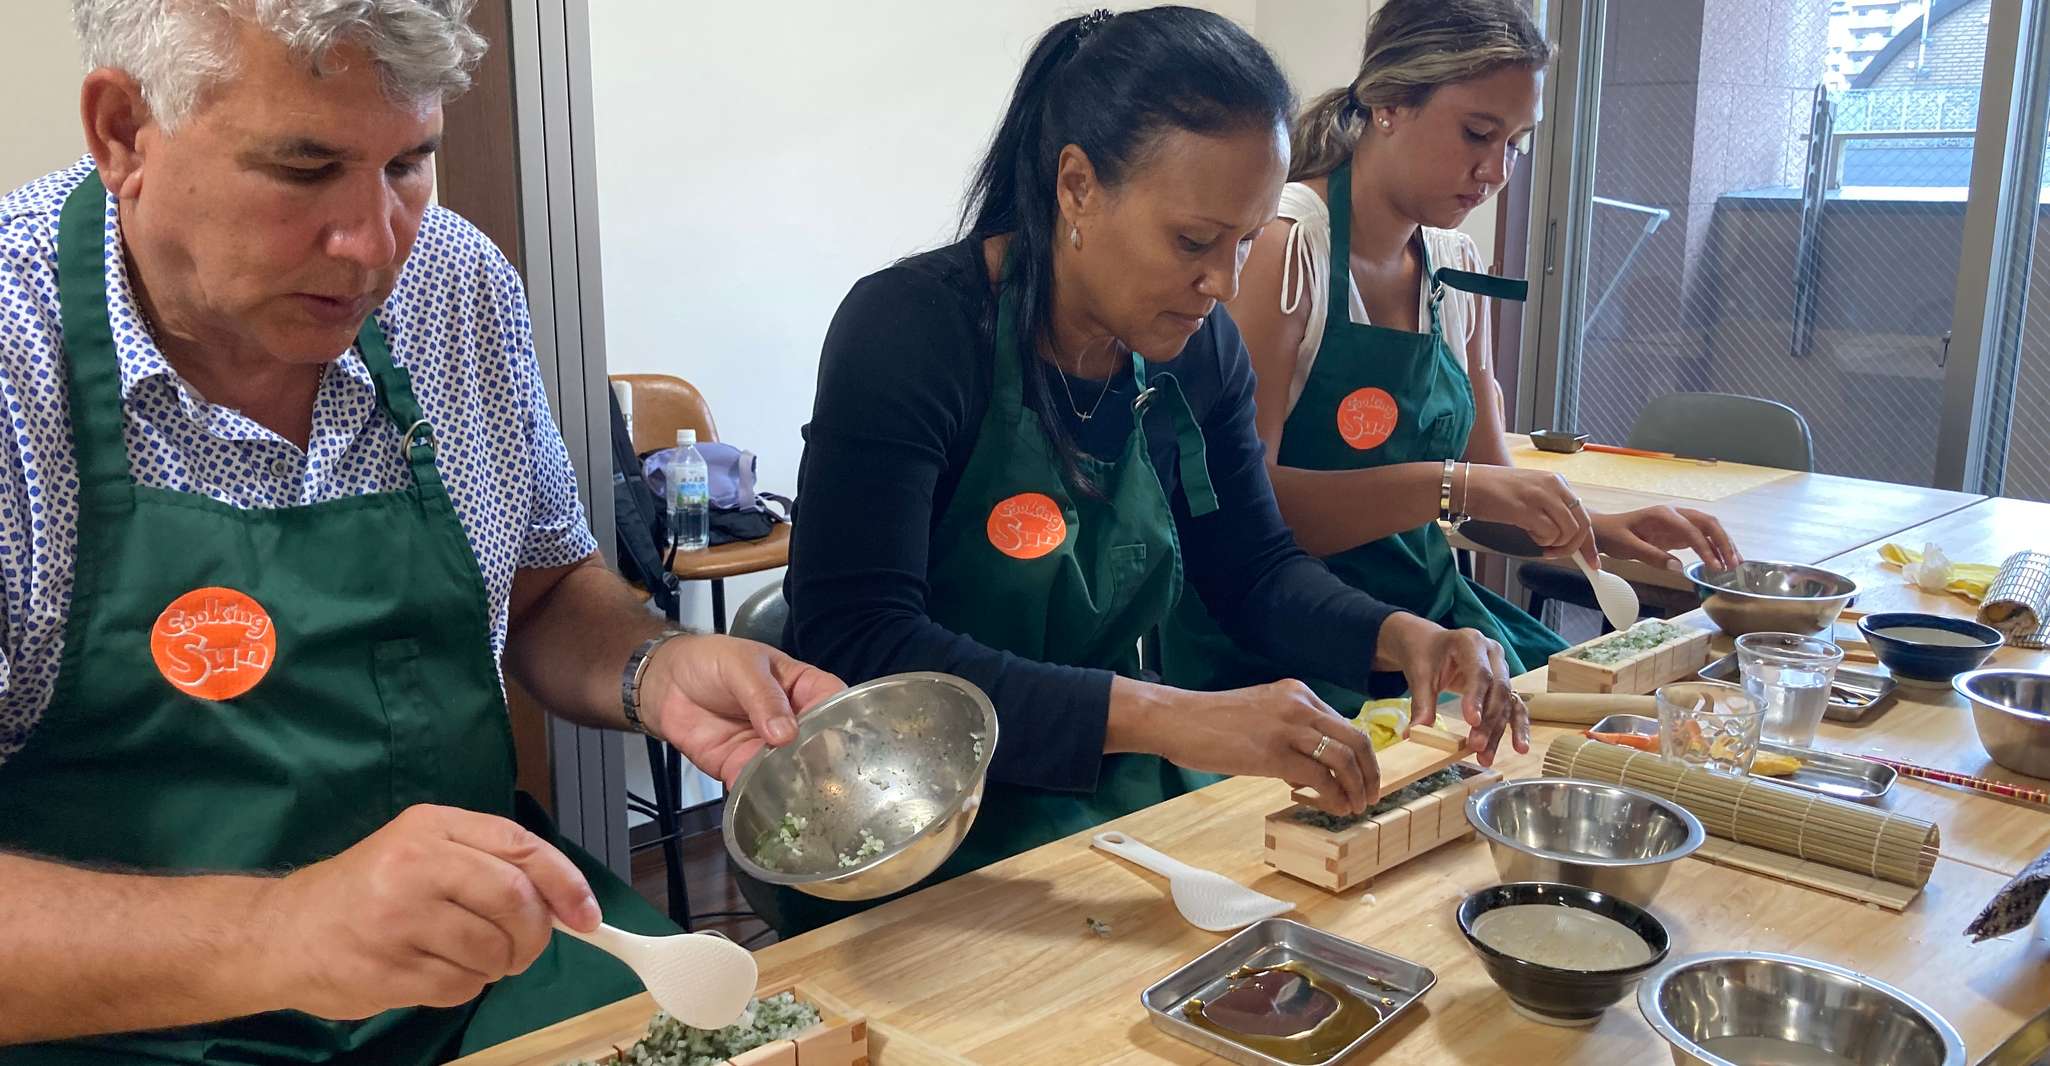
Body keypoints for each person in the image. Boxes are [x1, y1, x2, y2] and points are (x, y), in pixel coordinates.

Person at [0, 2, 841, 1061]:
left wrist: (655, 667)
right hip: (119, 1024)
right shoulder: (12, 352)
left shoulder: (455, 285)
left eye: (409, 162)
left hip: (482, 969)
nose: (370, 247)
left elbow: (543, 590)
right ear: (124, 129)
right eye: (302, 170)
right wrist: (286, 929)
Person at [769, 6, 1528, 936]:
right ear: (1078, 187)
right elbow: (863, 645)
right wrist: (1169, 716)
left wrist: (1398, 634)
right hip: (907, 825)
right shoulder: (913, 334)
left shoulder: (1197, 352)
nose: (1223, 282)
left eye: (1248, 241)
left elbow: (1251, 572)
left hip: (1101, 793)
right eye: (1194, 241)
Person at [1159, 0, 1741, 711]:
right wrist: (1453, 485)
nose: (1495, 170)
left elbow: (1488, 490)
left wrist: (1592, 528)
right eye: (1477, 133)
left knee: (1640, 727)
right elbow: (1252, 514)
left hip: (1438, 629)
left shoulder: (1452, 267)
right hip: (1288, 652)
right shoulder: (1287, 250)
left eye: (1517, 143)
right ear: (1387, 104)